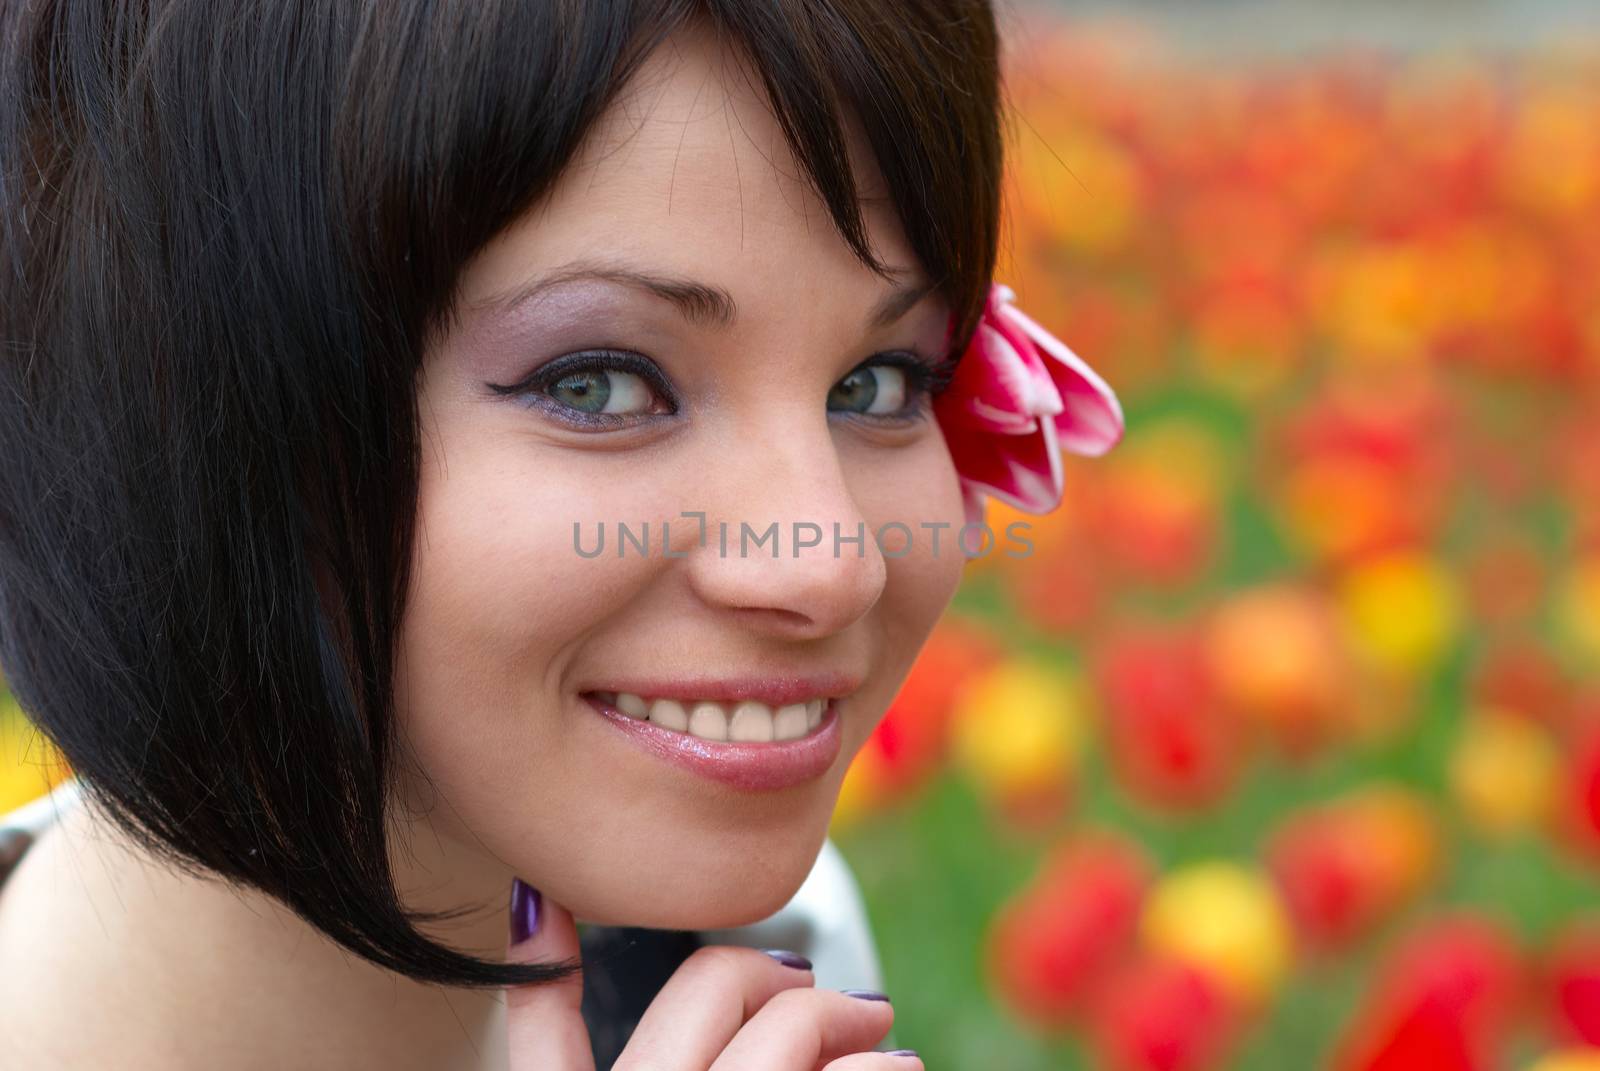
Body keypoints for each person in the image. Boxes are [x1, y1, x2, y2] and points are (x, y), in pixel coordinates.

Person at [0, 2, 1121, 1068]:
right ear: (173, 399)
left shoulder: (770, 962)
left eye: (880, 381)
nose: (830, 565)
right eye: (597, 385)